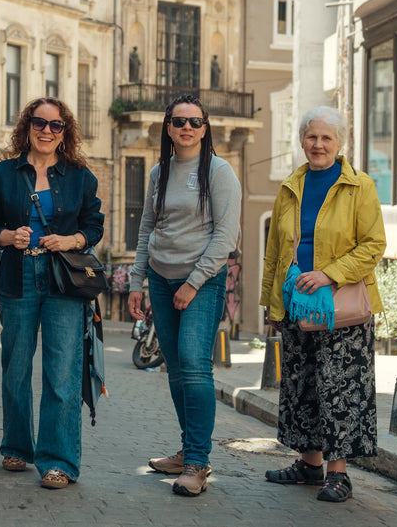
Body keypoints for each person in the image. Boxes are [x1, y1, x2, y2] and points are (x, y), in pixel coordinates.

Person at [0, 97, 104, 490]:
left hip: (63, 279)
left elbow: (94, 226)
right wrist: (7, 236)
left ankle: (59, 461)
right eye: (39, 123)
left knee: (62, 372)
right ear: (27, 126)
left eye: (56, 125)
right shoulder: (3, 174)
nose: (47, 131)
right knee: (15, 367)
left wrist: (70, 240)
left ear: (66, 131)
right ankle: (17, 446)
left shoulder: (81, 176)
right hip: (18, 275)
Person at [260, 106, 386, 503]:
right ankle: (309, 464)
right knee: (302, 386)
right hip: (298, 303)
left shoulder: (359, 186)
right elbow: (275, 252)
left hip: (341, 304)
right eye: (312, 137)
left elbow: (373, 245)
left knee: (341, 386)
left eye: (326, 138)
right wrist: (271, 304)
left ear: (340, 143)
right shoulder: (290, 186)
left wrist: (329, 274)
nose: (318, 144)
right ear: (302, 141)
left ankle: (339, 474)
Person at [127, 94, 242, 497]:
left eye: (195, 122)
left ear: (205, 128)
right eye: (179, 122)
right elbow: (146, 229)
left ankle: (197, 462)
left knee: (195, 367)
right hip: (160, 279)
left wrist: (193, 283)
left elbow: (225, 236)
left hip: (202, 282)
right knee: (175, 371)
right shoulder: (159, 172)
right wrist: (135, 281)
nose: (187, 128)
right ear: (169, 127)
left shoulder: (220, 172)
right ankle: (186, 450)